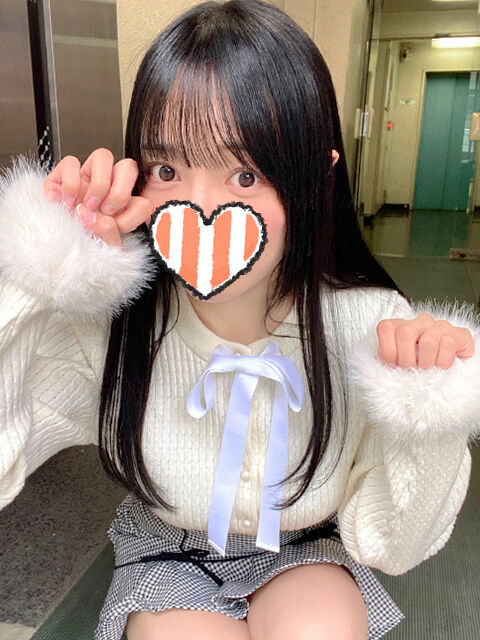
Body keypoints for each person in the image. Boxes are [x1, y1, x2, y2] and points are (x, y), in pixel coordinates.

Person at [0, 1, 479, 638]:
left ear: (316, 177)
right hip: (168, 547)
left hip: (306, 546)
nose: (201, 208)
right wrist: (35, 273)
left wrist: (432, 409)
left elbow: (389, 543)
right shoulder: (111, 322)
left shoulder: (367, 324)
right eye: (167, 170)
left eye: (246, 174)